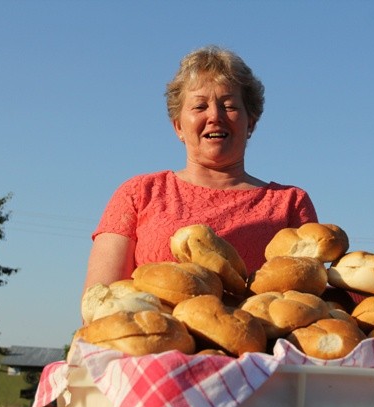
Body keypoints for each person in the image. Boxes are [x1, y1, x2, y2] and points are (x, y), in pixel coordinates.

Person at [84, 45, 318, 292]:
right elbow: (100, 300)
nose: (215, 116)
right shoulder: (139, 193)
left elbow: (310, 298)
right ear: (178, 127)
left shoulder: (291, 203)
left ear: (251, 122)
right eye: (199, 106)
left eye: (229, 106)